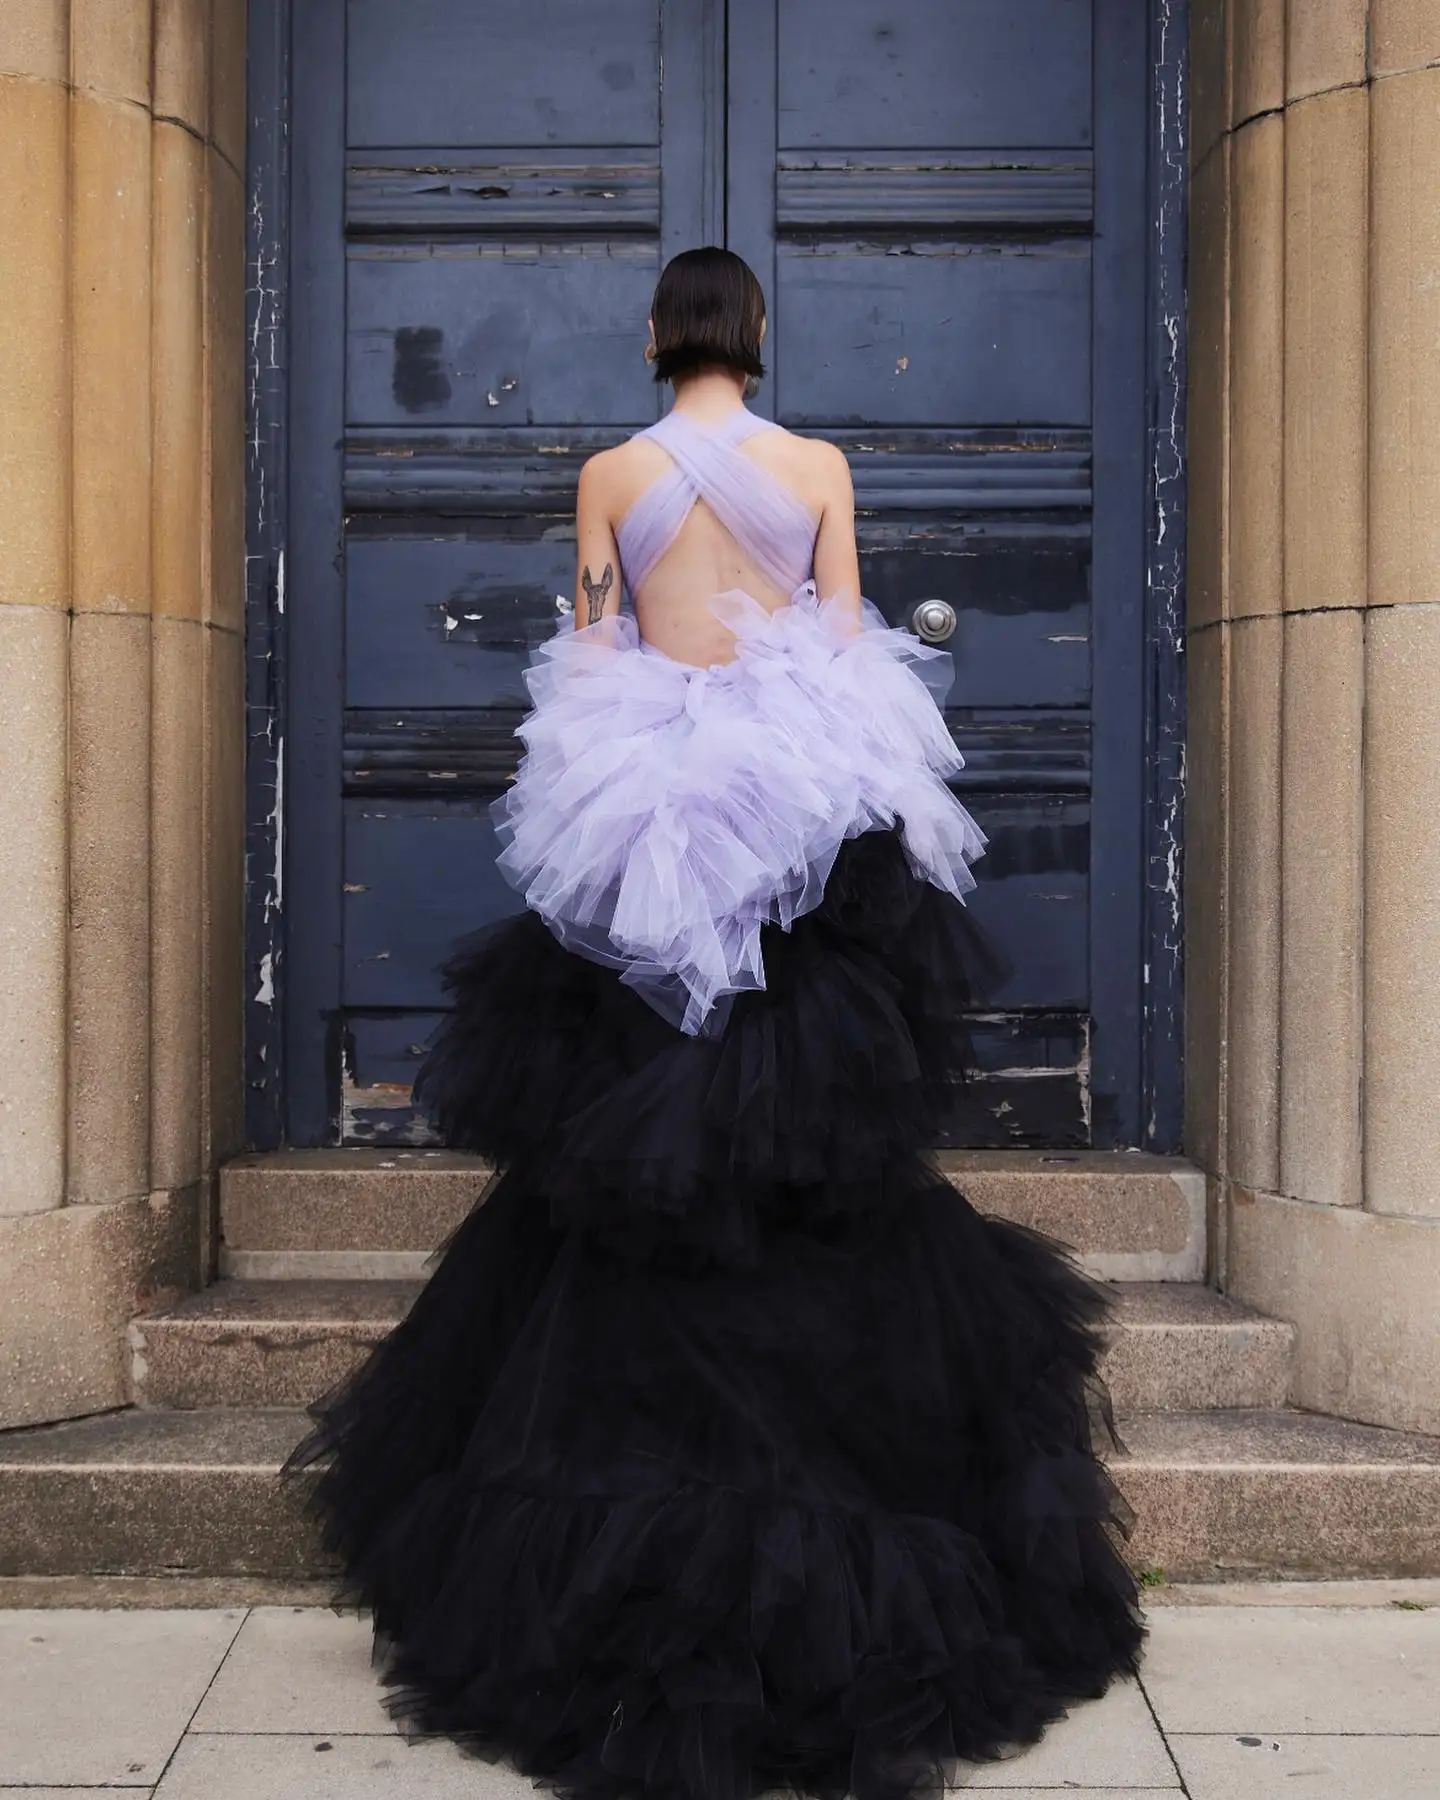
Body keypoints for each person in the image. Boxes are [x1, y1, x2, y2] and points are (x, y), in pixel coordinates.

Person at [287, 246, 1145, 1800]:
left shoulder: (614, 469)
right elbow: (840, 634)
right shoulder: (816, 461)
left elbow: (595, 641)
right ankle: (850, 1489)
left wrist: (637, 784)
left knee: (635, 1141)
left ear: (652, 339)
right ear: (758, 337)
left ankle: (619, 1492)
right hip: (798, 816)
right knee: (814, 1147)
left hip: (652, 814)